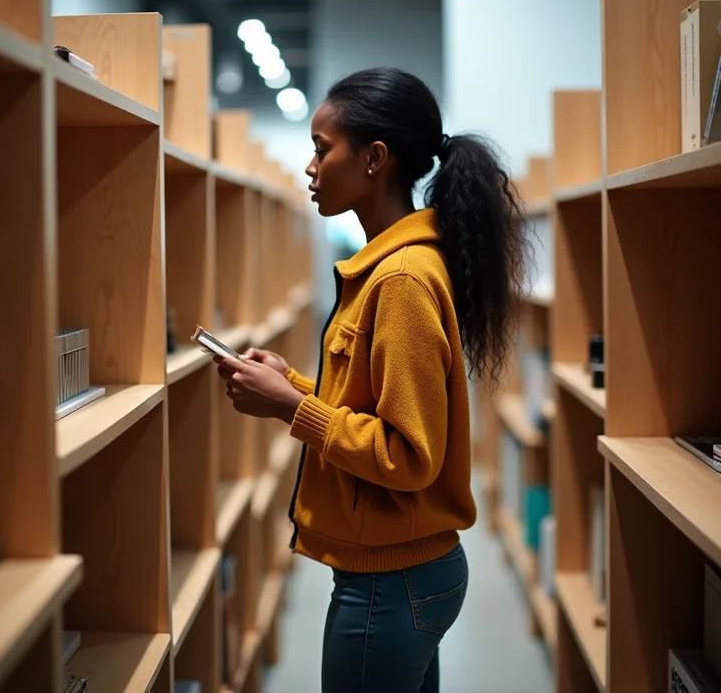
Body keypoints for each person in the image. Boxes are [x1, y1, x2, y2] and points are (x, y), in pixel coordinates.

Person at [215, 67, 526, 692]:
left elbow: (408, 455)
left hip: (393, 581)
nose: (309, 166)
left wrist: (289, 412)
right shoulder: (393, 266)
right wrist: (295, 386)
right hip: (399, 572)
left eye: (322, 149)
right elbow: (372, 404)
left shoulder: (402, 280)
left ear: (374, 159)